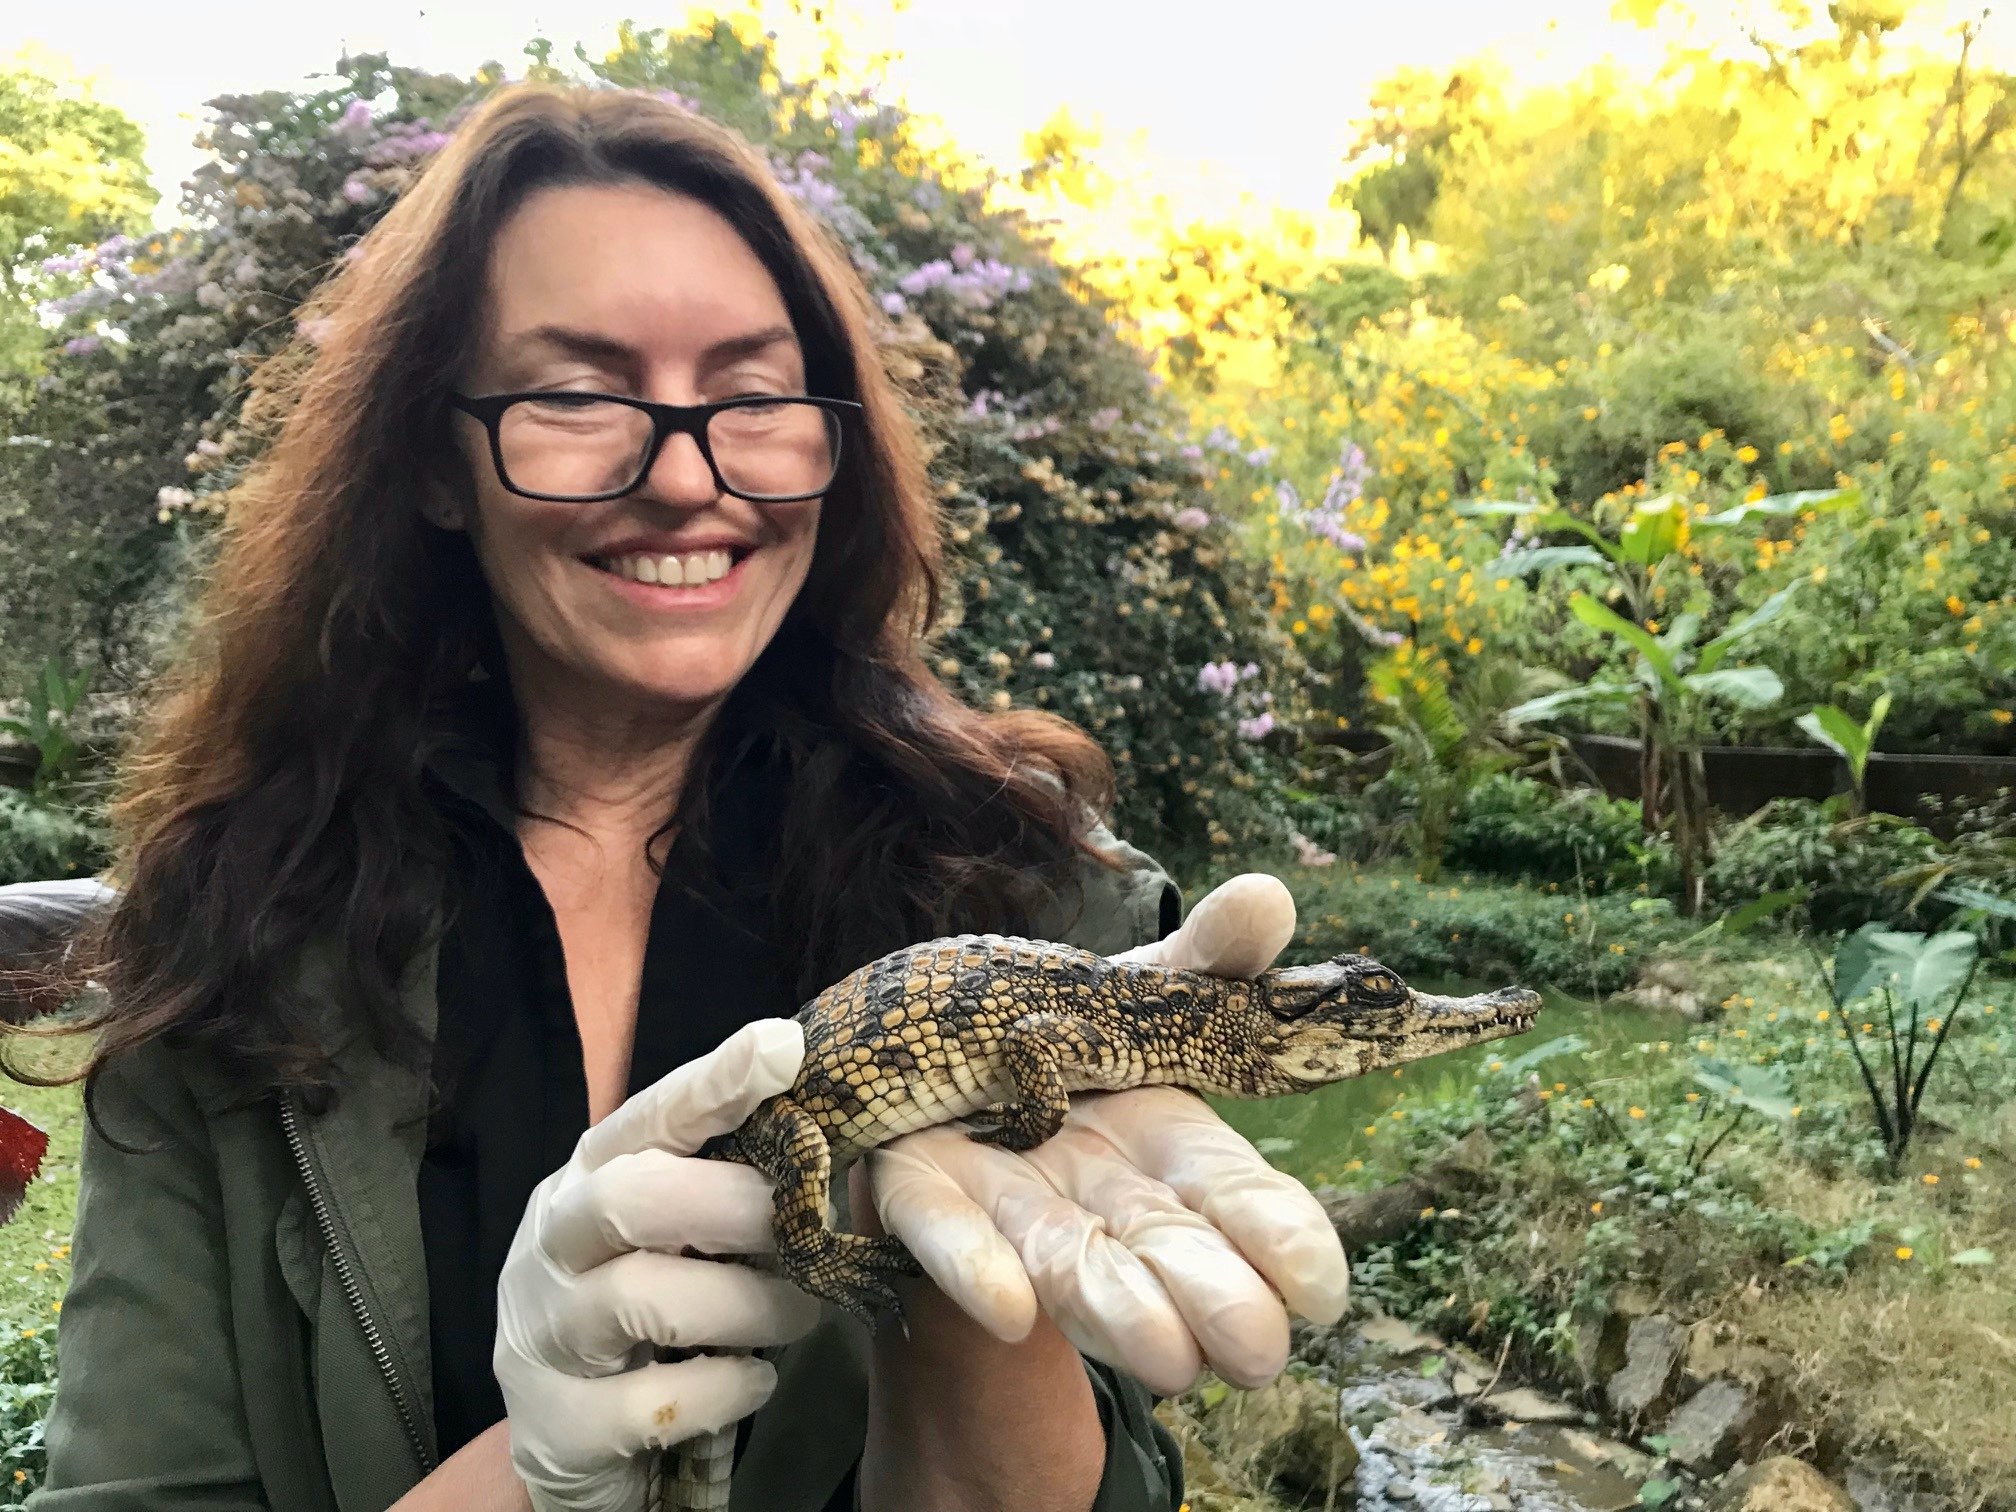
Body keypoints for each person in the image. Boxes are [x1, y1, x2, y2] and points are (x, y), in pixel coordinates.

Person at [25, 85, 1349, 1512]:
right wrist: (526, 1480)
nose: (683, 476)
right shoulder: (235, 932)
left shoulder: (1021, 892)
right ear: (433, 465)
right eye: (579, 394)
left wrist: (969, 1265)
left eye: (755, 398)